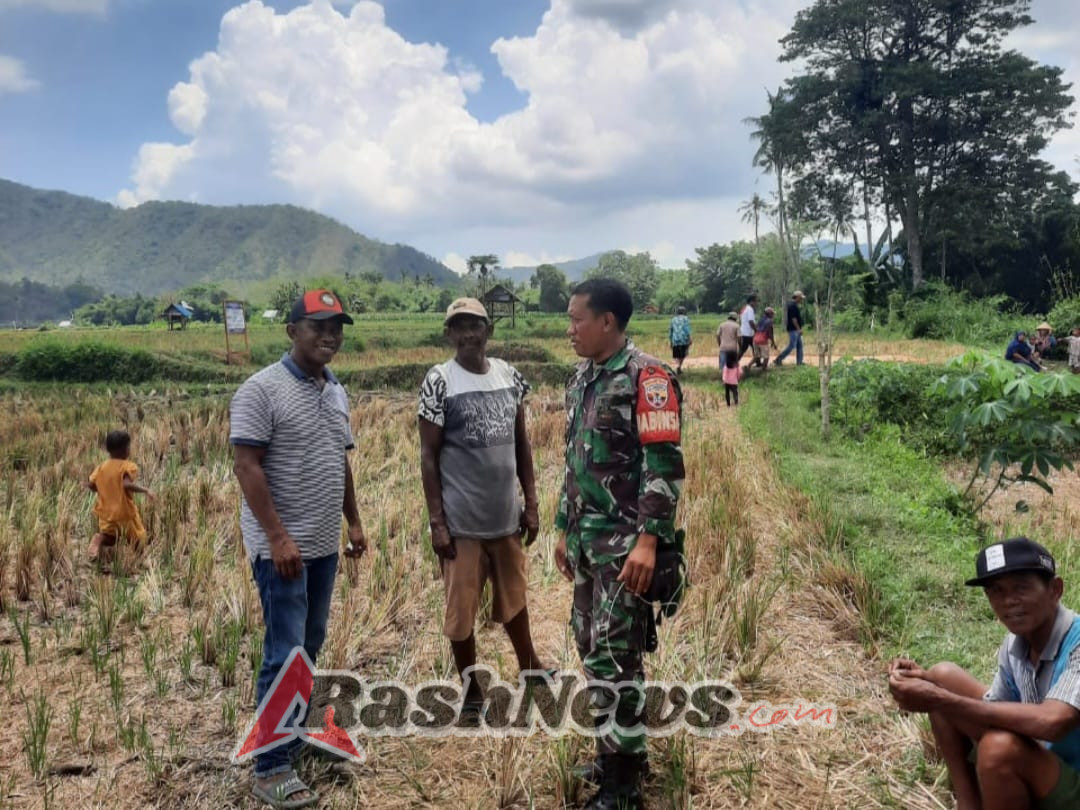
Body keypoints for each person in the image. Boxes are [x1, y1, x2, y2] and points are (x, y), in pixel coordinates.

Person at [230, 289, 367, 810]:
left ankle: (294, 735)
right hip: (281, 549)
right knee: (284, 651)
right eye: (317, 326)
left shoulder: (336, 391)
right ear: (292, 331)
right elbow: (247, 467)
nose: (329, 335)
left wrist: (353, 520)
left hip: (322, 544)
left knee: (310, 645)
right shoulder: (260, 390)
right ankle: (270, 766)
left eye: (336, 327)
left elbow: (340, 459)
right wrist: (278, 537)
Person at [556, 278, 685, 810]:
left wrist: (650, 542)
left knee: (616, 659)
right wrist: (565, 529)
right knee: (592, 649)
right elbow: (574, 462)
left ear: (607, 322)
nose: (570, 330)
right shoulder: (582, 378)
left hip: (627, 548)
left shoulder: (648, 378)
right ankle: (617, 752)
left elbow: (664, 467)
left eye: (577, 320)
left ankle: (623, 787)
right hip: (589, 545)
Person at [417, 297, 549, 722]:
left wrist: (530, 502)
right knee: (461, 612)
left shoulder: (509, 376)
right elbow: (427, 457)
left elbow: (521, 443)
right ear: (449, 334)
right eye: (460, 326)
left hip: (505, 519)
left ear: (488, 330)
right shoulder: (439, 381)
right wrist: (438, 523)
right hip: (462, 524)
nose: (469, 333)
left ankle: (531, 667)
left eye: (476, 325)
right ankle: (472, 690)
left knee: (516, 599)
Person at [888, 537, 1080, 810]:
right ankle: (968, 803)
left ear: (1055, 590)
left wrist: (939, 699)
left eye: (1021, 588)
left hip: (1072, 778)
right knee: (941, 676)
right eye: (996, 591)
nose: (1009, 601)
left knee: (998, 748)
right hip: (1045, 761)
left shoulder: (1077, 644)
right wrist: (929, 686)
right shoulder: (1016, 644)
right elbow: (995, 708)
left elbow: (1053, 722)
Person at [87, 429, 154, 562]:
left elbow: (91, 485)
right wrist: (146, 490)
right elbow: (126, 485)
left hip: (106, 513)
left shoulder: (101, 467)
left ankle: (98, 539)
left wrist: (103, 488)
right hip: (125, 513)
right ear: (125, 449)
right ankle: (138, 561)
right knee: (139, 538)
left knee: (110, 537)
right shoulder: (127, 466)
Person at [775, 291, 806, 366]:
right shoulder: (792, 306)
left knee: (800, 346)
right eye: (801, 298)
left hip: (795, 329)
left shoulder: (794, 305)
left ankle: (799, 362)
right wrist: (798, 329)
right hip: (793, 329)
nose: (801, 300)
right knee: (792, 345)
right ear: (797, 297)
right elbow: (793, 319)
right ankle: (779, 359)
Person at [750, 306, 778, 370]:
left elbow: (756, 328)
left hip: (755, 339)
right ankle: (763, 369)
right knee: (766, 357)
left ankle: (748, 366)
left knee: (756, 356)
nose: (773, 315)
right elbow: (770, 333)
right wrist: (773, 343)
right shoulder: (770, 321)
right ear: (770, 314)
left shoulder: (761, 319)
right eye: (772, 313)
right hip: (762, 340)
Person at [668, 305, 692, 374]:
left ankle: (678, 366)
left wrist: (670, 340)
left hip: (675, 339)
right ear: (684, 312)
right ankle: (679, 366)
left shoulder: (673, 319)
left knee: (676, 355)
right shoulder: (686, 319)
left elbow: (671, 330)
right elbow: (687, 329)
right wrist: (690, 338)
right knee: (684, 354)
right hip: (684, 339)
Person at [737, 294, 758, 361]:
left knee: (754, 348)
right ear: (752, 301)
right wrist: (756, 330)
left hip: (744, 332)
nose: (756, 303)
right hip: (749, 334)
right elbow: (751, 322)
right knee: (744, 349)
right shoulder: (750, 309)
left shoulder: (744, 308)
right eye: (755, 301)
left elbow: (740, 321)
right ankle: (733, 364)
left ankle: (758, 362)